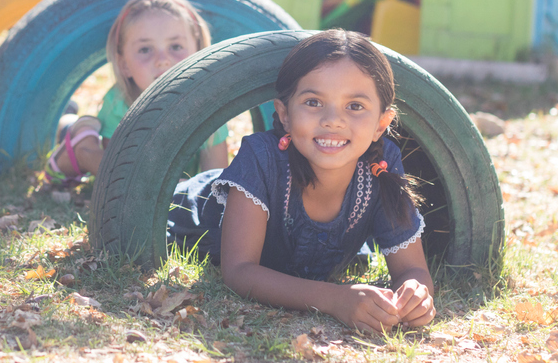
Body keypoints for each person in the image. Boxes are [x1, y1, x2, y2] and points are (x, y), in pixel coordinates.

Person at [167, 29, 436, 333]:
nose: (333, 120)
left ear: (381, 124)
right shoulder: (261, 158)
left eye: (355, 106)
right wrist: (336, 299)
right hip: (189, 212)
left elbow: (413, 269)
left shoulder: (381, 164)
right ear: (284, 115)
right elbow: (239, 272)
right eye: (313, 102)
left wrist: (416, 295)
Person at [48, 0, 229, 183]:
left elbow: (215, 181)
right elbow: (116, 177)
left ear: (198, 53)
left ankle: (74, 120)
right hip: (122, 165)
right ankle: (77, 130)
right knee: (68, 130)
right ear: (125, 65)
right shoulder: (120, 105)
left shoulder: (210, 106)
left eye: (175, 46)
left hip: (167, 183)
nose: (163, 61)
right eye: (145, 49)